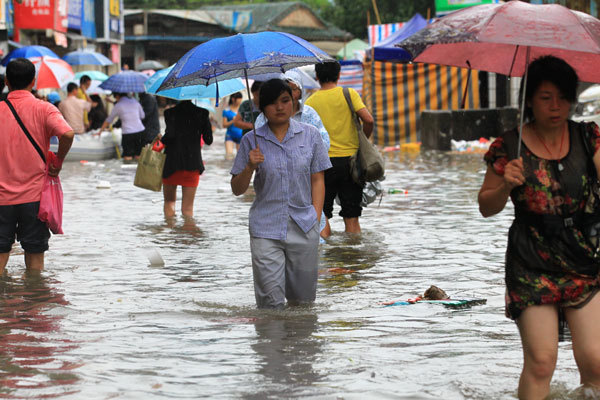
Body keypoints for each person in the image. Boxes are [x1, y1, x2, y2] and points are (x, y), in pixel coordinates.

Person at [478, 55, 600, 399]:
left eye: (563, 97)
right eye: (546, 98)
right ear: (530, 99)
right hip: (531, 263)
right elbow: (486, 206)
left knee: (596, 361)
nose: (556, 106)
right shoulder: (508, 147)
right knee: (542, 361)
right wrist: (505, 185)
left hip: (584, 260)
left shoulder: (588, 137)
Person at [230, 79, 331, 309]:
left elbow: (317, 179)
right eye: (272, 103)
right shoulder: (251, 141)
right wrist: (249, 167)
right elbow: (237, 189)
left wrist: (315, 219)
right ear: (262, 108)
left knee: (303, 303)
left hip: (304, 226)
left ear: (294, 101)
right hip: (265, 228)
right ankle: (270, 342)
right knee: (270, 304)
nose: (280, 107)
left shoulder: (311, 135)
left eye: (285, 101)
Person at [0, 58, 74, 273]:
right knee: (34, 258)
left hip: (1, 199)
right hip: (34, 198)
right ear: (33, 82)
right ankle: (34, 300)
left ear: (7, 81)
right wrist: (58, 162)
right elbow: (67, 133)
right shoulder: (44, 109)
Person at [255, 70, 331, 240]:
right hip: (275, 183)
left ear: (299, 91)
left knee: (318, 228)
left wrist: (303, 153)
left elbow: (323, 141)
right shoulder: (264, 118)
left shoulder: (309, 114)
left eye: (293, 89)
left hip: (304, 175)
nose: (288, 92)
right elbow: (257, 145)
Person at [305, 61, 374, 237]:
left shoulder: (311, 101)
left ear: (317, 77)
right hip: (351, 162)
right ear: (339, 75)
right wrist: (362, 140)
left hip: (322, 165)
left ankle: (326, 257)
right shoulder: (348, 94)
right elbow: (369, 120)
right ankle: (351, 255)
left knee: (321, 214)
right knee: (351, 215)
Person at [161, 100, 213, 218]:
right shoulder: (202, 113)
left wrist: (161, 139)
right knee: (188, 209)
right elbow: (208, 140)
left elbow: (170, 136)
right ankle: (187, 235)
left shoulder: (170, 113)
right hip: (192, 164)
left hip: (171, 164)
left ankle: (169, 234)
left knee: (169, 202)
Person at [100, 93, 145, 161]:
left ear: (118, 96)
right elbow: (142, 116)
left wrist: (100, 131)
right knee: (139, 156)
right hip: (140, 132)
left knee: (127, 157)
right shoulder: (135, 101)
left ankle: (127, 172)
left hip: (128, 133)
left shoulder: (118, 105)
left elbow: (109, 120)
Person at [223, 92, 243, 157]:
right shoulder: (226, 110)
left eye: (241, 99)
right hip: (230, 135)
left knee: (240, 157)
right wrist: (233, 120)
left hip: (241, 135)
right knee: (229, 156)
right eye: (238, 99)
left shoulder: (243, 110)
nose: (240, 101)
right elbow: (224, 125)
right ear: (233, 99)